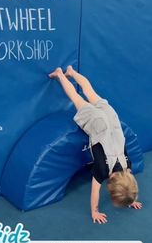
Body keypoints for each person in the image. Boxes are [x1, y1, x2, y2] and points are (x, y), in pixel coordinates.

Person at [49, 66, 142, 224]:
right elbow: (95, 191)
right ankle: (60, 74)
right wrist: (94, 211)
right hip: (97, 123)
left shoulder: (127, 165)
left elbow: (128, 181)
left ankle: (71, 72)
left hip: (111, 119)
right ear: (110, 185)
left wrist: (130, 199)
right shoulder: (103, 169)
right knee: (75, 97)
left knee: (89, 91)